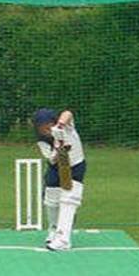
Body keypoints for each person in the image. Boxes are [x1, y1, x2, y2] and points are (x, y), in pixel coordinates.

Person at [32, 108, 86, 251]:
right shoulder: (42, 141)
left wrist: (60, 126)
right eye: (42, 127)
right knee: (51, 199)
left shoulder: (66, 127)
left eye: (49, 125)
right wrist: (58, 148)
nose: (47, 129)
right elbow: (51, 159)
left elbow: (68, 113)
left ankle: (63, 240)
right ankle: (53, 231)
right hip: (56, 168)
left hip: (75, 166)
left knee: (69, 200)